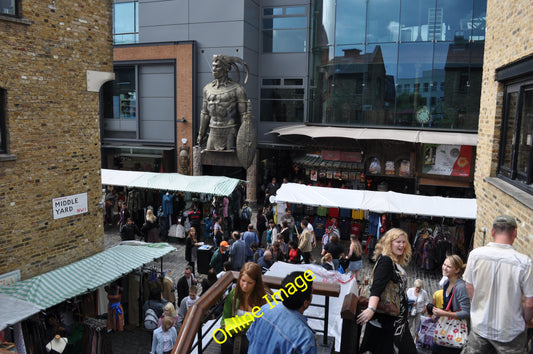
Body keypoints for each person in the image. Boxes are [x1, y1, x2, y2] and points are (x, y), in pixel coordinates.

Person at [462, 215, 533, 354]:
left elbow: (469, 287)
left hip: (480, 327)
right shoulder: (525, 263)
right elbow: (530, 302)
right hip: (511, 331)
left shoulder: (476, 255)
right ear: (515, 233)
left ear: (492, 232)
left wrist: (479, 307)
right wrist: (525, 321)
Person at [356, 228, 416, 354]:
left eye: (404, 242)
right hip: (388, 321)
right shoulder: (386, 261)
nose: (402, 245)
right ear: (389, 243)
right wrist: (371, 308)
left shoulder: (392, 261)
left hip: (395, 321)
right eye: (398, 242)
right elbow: (377, 286)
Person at [247, 271, 317, 354]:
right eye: (312, 292)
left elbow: (250, 336)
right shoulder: (305, 338)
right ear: (306, 303)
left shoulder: (265, 309)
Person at [197, 54, 250, 152]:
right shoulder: (207, 89)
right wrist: (201, 134)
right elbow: (205, 114)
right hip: (212, 131)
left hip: (230, 132)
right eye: (213, 66)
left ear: (226, 68)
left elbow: (244, 116)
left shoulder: (238, 90)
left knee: (232, 163)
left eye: (217, 66)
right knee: (209, 161)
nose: (214, 69)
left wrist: (245, 138)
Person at [220, 262, 267, 354]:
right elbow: (224, 320)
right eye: (243, 281)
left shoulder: (265, 299)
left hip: (254, 342)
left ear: (256, 283)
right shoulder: (233, 295)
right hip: (233, 340)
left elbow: (266, 327)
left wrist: (235, 324)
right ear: (239, 279)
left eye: (250, 283)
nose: (245, 286)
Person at [431, 255, 470, 354]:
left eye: (448, 266)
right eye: (444, 264)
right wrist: (437, 314)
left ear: (457, 270)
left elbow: (466, 312)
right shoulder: (446, 283)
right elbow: (446, 306)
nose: (444, 268)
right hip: (444, 328)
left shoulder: (461, 287)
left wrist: (444, 314)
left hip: (454, 332)